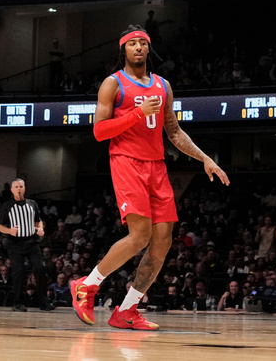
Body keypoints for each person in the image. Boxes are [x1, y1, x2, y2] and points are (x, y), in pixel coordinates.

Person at [71, 25, 229, 331]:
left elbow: (173, 131)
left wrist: (205, 158)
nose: (139, 47)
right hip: (126, 161)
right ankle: (86, 286)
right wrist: (136, 114)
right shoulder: (112, 84)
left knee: (162, 243)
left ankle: (127, 310)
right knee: (139, 236)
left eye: (143, 43)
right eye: (132, 44)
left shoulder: (163, 85)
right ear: (124, 50)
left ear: (149, 48)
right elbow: (99, 131)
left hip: (157, 165)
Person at [0, 178, 54, 313]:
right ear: (12, 190)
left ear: (24, 188)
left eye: (21, 186)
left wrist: (40, 228)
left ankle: (44, 302)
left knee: (40, 268)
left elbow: (38, 221)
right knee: (18, 271)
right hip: (15, 244)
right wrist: (10, 230)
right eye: (16, 187)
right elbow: (0, 226)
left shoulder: (32, 203)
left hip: (32, 242)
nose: (18, 189)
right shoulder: (7, 205)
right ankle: (17, 302)